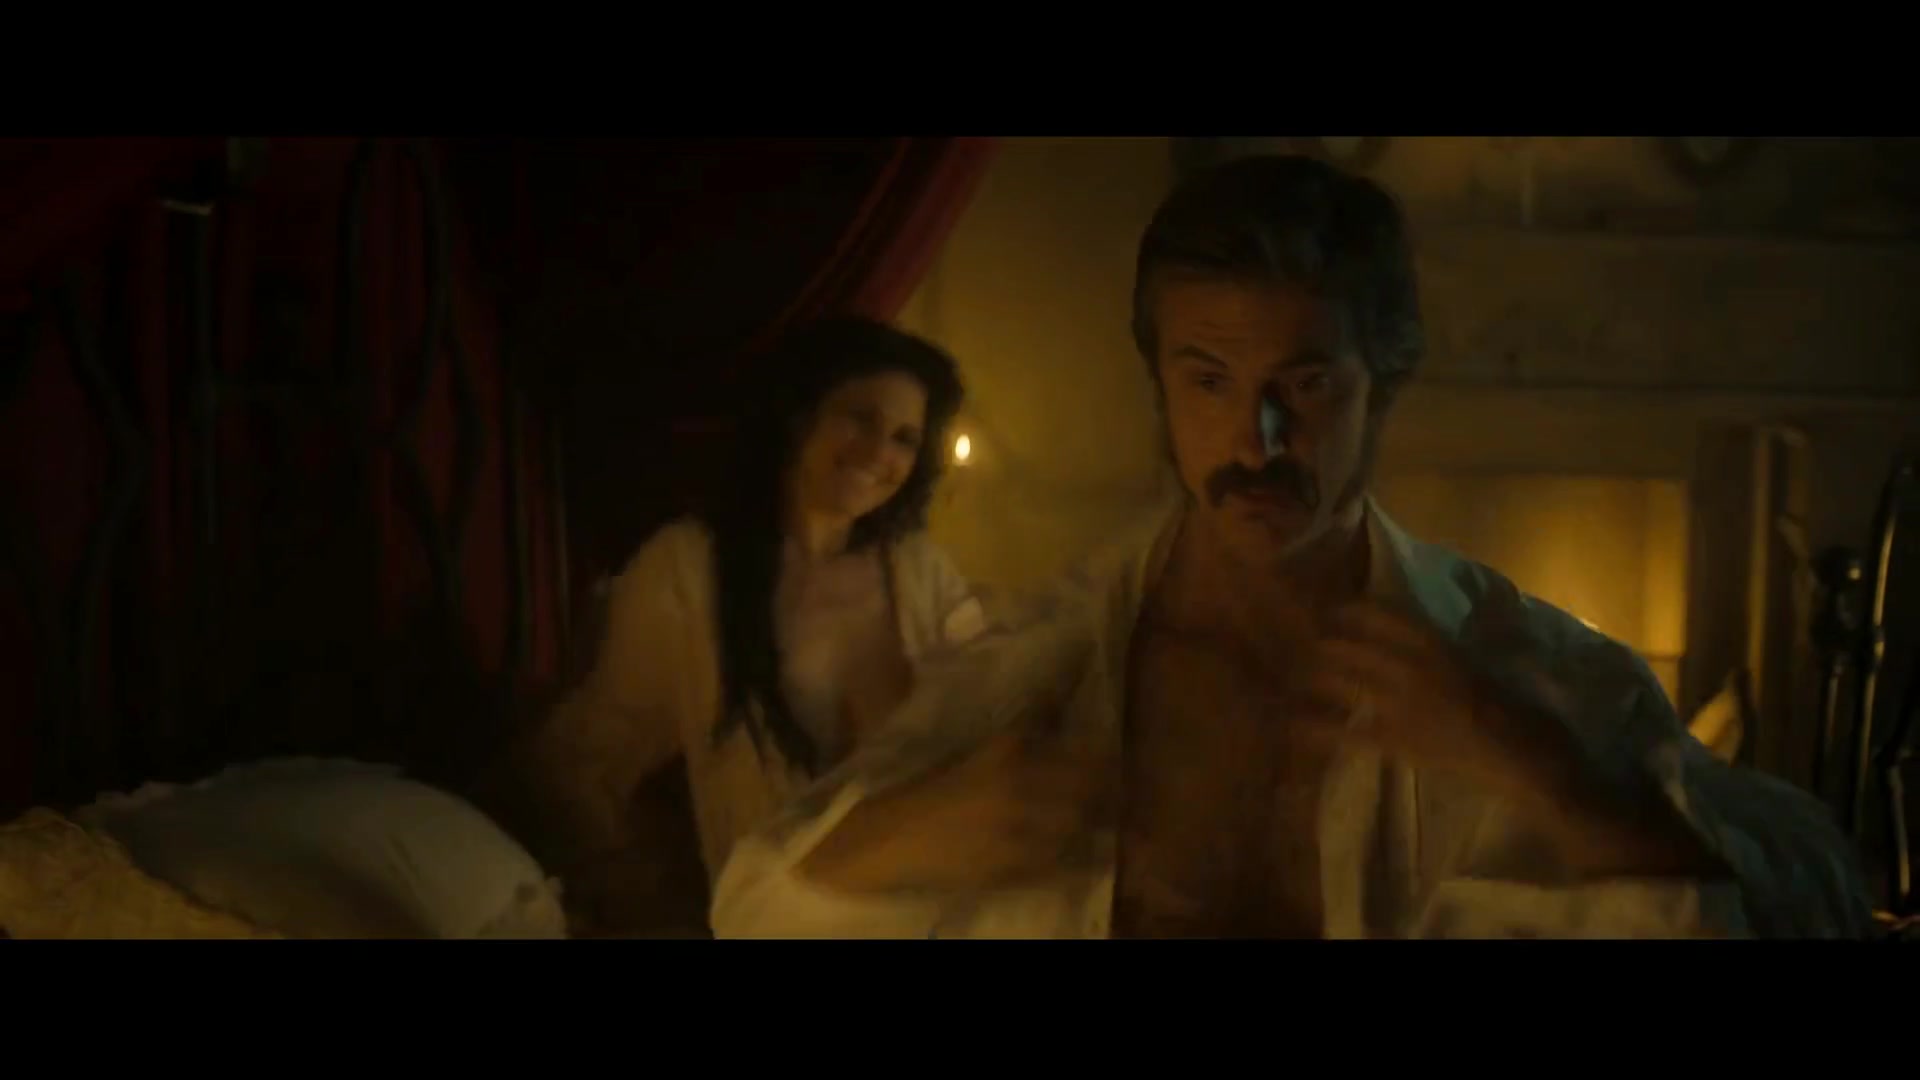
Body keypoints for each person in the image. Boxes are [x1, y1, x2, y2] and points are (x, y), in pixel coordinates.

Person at [707, 156, 1874, 939]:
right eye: (1208, 381)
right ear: (1159, 385)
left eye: (1304, 386)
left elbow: (1814, 896)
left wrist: (1542, 772)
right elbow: (749, 906)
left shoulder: (1501, 660)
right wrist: (902, 838)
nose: (1254, 440)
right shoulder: (1044, 661)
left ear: (1382, 389)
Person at [497, 316, 982, 936]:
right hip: (790, 915)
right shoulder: (688, 569)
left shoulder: (920, 571)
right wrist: (641, 900)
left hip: (935, 901)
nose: (878, 454)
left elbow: (987, 710)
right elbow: (586, 758)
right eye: (861, 419)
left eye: (905, 439)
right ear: (800, 415)